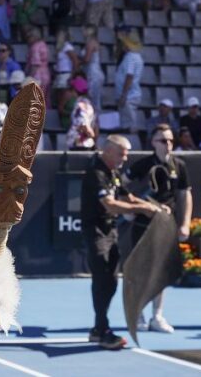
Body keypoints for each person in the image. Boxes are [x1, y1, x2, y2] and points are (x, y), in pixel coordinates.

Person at [82, 135, 162, 350]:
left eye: (126, 154)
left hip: (111, 231)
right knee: (102, 279)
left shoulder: (113, 173)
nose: (125, 158)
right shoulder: (96, 173)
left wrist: (153, 206)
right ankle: (102, 329)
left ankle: (99, 329)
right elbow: (110, 205)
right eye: (121, 153)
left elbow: (127, 197)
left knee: (111, 280)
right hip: (96, 232)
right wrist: (144, 209)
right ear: (108, 151)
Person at [125, 124, 193, 333]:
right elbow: (123, 186)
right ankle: (138, 316)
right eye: (163, 141)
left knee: (161, 272)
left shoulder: (179, 165)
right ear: (153, 143)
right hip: (143, 224)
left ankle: (157, 316)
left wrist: (185, 223)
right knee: (141, 270)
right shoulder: (142, 165)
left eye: (171, 140)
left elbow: (184, 194)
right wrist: (132, 207)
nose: (168, 144)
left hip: (167, 225)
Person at [115, 30, 144, 134]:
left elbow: (129, 76)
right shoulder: (138, 57)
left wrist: (123, 95)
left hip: (129, 96)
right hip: (131, 94)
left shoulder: (130, 57)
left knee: (129, 124)